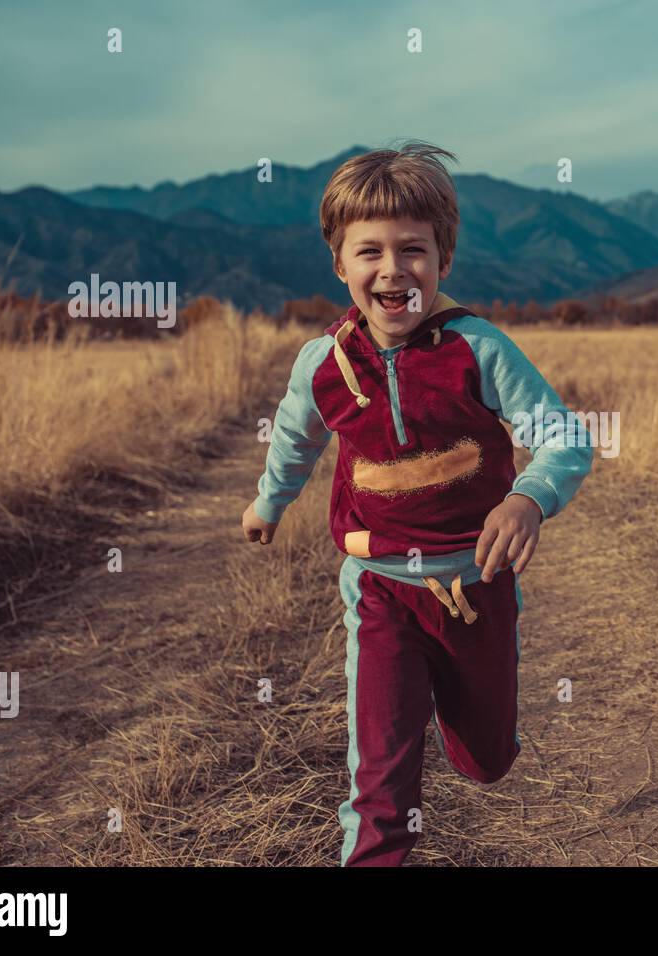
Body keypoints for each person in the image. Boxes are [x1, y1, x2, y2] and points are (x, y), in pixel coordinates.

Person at [240, 141, 594, 866]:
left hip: (476, 586)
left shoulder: (477, 349)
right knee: (380, 783)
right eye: (369, 251)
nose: (393, 269)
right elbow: (294, 443)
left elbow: (564, 438)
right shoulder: (324, 365)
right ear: (340, 265)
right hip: (379, 590)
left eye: (414, 250)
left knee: (486, 758)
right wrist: (267, 504)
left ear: (444, 260)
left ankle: (474, 727)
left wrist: (529, 498)